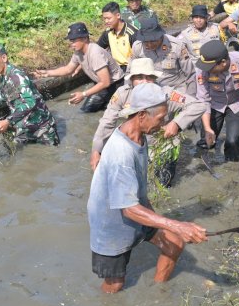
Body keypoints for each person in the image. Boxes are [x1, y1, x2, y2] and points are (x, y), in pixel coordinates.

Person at [87, 82, 208, 293]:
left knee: (174, 244)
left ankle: (158, 292)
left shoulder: (140, 137)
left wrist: (163, 222)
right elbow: (128, 208)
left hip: (138, 209)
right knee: (115, 284)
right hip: (111, 224)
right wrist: (177, 225)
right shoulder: (120, 153)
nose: (162, 125)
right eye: (160, 118)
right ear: (142, 115)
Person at [89, 58, 208, 176]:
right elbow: (107, 122)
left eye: (149, 77)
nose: (144, 81)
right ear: (131, 79)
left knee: (164, 182)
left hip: (163, 144)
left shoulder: (166, 94)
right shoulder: (122, 94)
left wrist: (176, 123)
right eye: (139, 78)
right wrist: (96, 150)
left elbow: (199, 105)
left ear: (155, 79)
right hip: (135, 145)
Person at [0, 44, 59, 146]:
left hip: (42, 128)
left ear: (4, 58)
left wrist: (8, 121)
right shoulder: (4, 76)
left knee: (50, 156)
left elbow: (30, 102)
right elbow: (4, 94)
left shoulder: (17, 76)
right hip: (24, 126)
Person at [35, 22, 123, 113]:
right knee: (86, 111)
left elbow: (105, 82)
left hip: (116, 86)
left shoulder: (95, 53)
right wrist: (47, 73)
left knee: (118, 112)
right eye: (71, 41)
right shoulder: (78, 53)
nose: (71, 44)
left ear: (85, 38)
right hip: (101, 86)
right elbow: (68, 69)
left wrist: (83, 94)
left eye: (74, 40)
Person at [195, 40, 239, 162]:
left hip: (238, 103)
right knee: (207, 140)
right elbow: (203, 99)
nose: (206, 70)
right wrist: (208, 128)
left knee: (232, 142)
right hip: (214, 104)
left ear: (223, 63)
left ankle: (233, 170)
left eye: (210, 67)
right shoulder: (202, 68)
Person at [131, 16, 197, 96]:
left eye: (152, 41)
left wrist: (190, 97)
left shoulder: (176, 46)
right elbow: (130, 73)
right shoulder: (137, 47)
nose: (149, 45)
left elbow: (190, 73)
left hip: (175, 91)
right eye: (146, 41)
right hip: (149, 92)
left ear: (160, 36)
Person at [97, 1, 136, 72]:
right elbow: (96, 49)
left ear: (118, 15)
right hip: (116, 68)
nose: (106, 21)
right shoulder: (108, 33)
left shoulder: (131, 33)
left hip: (131, 68)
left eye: (108, 18)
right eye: (104, 19)